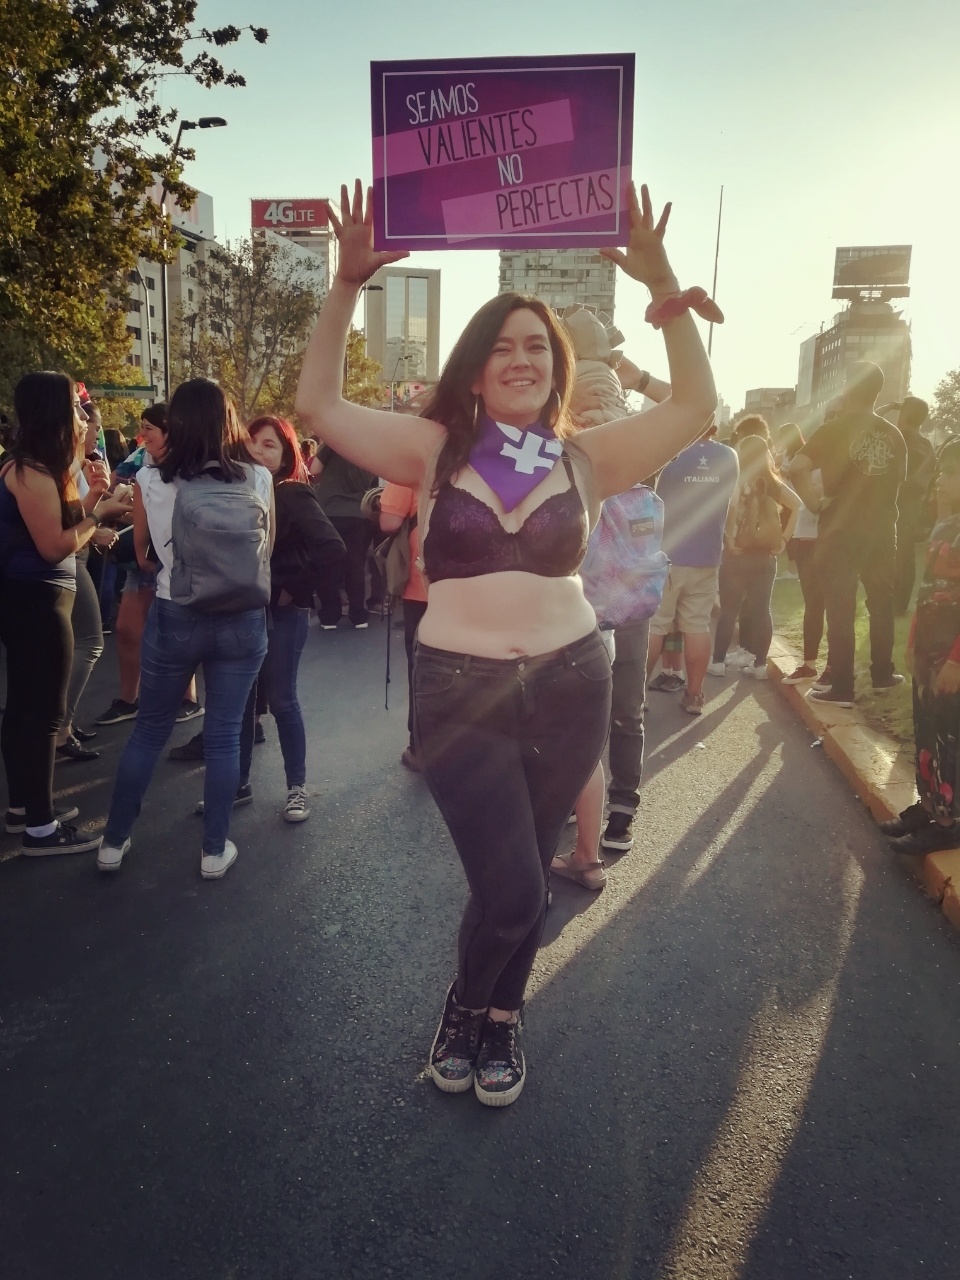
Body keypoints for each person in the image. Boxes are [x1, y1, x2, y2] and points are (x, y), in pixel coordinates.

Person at [295, 179, 717, 1107]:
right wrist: (346, 283)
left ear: (555, 368)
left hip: (572, 684)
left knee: (517, 877)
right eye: (502, 347)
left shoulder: (587, 457)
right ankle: (467, 1002)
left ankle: (495, 1016)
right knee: (516, 886)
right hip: (459, 693)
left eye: (537, 346)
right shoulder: (431, 450)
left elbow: (695, 403)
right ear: (476, 371)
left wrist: (662, 283)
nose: (521, 358)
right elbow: (317, 403)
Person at [96, 378, 272, 879]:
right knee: (224, 735)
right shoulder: (258, 477)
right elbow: (267, 551)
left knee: (149, 730)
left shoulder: (152, 479)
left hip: (176, 612)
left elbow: (142, 554)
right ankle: (214, 850)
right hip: (242, 619)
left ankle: (113, 842)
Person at [0, 372, 130, 854]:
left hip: (34, 596)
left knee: (26, 707)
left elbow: (62, 525)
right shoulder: (29, 471)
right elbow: (55, 546)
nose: (82, 417)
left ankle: (24, 809)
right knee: (42, 712)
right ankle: (40, 828)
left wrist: (94, 497)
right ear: (54, 412)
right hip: (36, 599)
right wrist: (101, 514)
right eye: (75, 408)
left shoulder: (37, 467)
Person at [234, 414, 345, 821]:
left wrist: (294, 588)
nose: (258, 451)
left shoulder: (292, 493)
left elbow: (332, 548)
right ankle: (236, 784)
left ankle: (296, 788)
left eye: (270, 444)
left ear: (287, 455)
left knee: (282, 700)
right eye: (253, 442)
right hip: (243, 610)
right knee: (241, 702)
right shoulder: (237, 491)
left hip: (283, 612)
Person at [791, 361, 907, 707]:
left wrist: (814, 503)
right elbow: (899, 482)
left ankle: (842, 687)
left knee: (840, 607)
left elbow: (797, 467)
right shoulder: (894, 434)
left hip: (838, 529)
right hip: (882, 529)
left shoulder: (832, 429)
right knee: (881, 603)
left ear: (847, 387)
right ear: (878, 391)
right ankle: (883, 674)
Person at [883, 441, 960, 854]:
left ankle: (949, 821)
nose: (942, 481)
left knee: (950, 734)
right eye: (942, 472)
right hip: (929, 645)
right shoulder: (944, 526)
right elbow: (927, 590)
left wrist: (956, 661)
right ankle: (929, 804)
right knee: (926, 728)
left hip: (952, 651)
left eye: (952, 473)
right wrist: (913, 642)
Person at [645, 421, 739, 715]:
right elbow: (733, 503)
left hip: (668, 551)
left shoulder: (670, 453)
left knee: (655, 625)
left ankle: (636, 697)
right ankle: (695, 695)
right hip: (707, 554)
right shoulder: (729, 456)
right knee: (697, 625)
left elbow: (650, 499)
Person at [710, 435, 800, 680]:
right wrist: (784, 540)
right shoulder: (774, 483)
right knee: (762, 610)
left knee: (729, 610)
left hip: (737, 554)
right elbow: (797, 506)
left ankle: (718, 662)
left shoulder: (738, 480)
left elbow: (732, 508)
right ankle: (760, 665)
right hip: (764, 556)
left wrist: (729, 539)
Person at [378, 480, 428, 770]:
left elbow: (389, 522)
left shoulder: (409, 464)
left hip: (423, 586)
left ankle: (421, 747)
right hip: (472, 586)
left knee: (422, 668)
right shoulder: (479, 458)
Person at [779, 424, 826, 685]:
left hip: (830, 539)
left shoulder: (837, 466)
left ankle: (834, 668)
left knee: (835, 606)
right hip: (805, 537)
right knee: (813, 604)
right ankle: (809, 664)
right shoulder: (806, 462)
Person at [313, 443, 378, 628]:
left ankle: (329, 616)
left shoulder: (332, 442)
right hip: (358, 512)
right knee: (355, 565)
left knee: (328, 565)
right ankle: (358, 615)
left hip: (329, 510)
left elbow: (314, 469)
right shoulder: (372, 449)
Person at [888, 396, 935, 616]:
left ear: (905, 414)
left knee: (890, 555)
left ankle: (892, 603)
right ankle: (900, 604)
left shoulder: (898, 438)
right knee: (906, 557)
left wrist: (887, 407)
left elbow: (868, 427)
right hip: (913, 507)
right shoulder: (926, 445)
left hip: (892, 503)